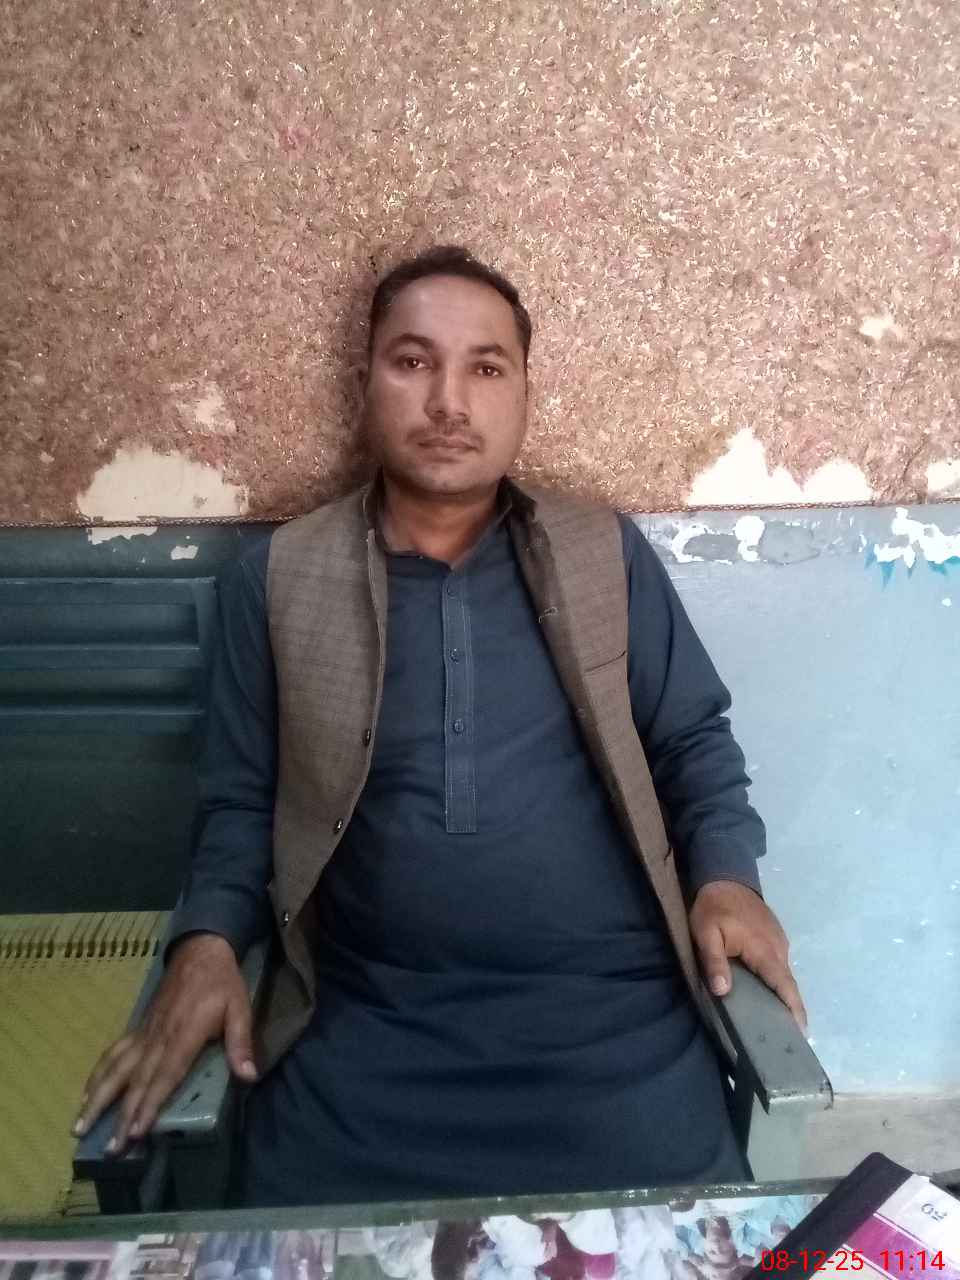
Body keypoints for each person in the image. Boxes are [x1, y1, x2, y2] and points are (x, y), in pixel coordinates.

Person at [72, 243, 807, 1205]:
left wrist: (729, 879)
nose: (449, 401)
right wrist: (207, 943)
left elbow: (693, 741)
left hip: (616, 1035)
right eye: (413, 361)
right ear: (365, 387)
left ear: (524, 396)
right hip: (365, 1036)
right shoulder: (277, 580)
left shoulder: (604, 555)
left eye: (486, 368)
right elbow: (240, 805)